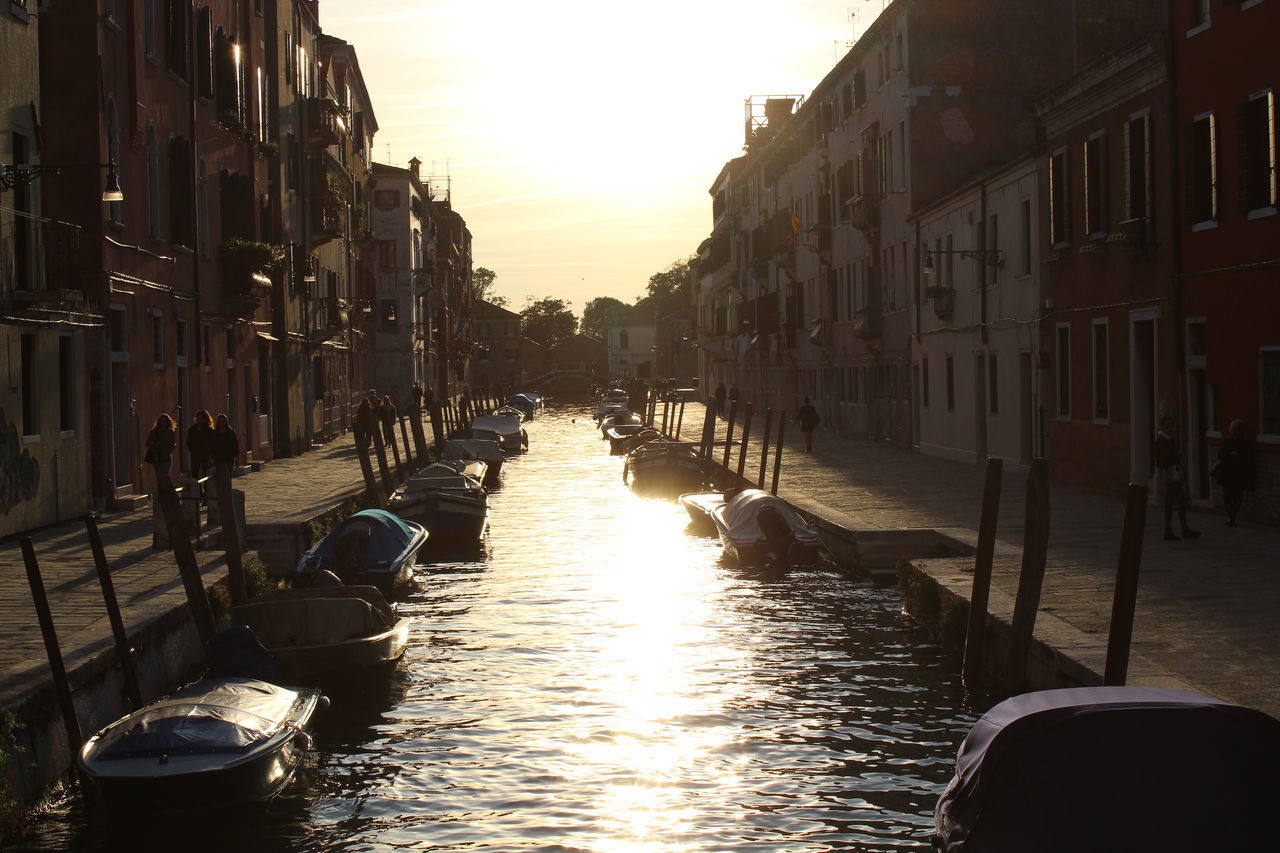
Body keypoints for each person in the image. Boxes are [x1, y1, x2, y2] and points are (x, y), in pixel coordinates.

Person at [1154, 415, 1200, 541]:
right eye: (1167, 425)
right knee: (1176, 501)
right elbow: (1162, 459)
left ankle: (1178, 529)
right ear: (1162, 426)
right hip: (1169, 473)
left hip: (1173, 472)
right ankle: (1173, 530)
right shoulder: (1161, 440)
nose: (1170, 428)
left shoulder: (1168, 439)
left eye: (1171, 425)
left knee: (1177, 501)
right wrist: (1175, 459)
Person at [1216, 419, 1256, 527]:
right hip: (1228, 472)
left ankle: (1232, 515)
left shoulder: (1246, 442)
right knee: (1227, 496)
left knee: (1238, 496)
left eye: (1235, 430)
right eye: (1232, 429)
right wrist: (1229, 455)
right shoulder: (1228, 441)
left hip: (1239, 473)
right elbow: (1220, 455)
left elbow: (1250, 458)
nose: (1233, 432)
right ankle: (1231, 517)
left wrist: (1238, 457)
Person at [144, 414, 177, 486]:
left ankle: (167, 491)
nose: (163, 423)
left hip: (167, 458)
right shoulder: (154, 432)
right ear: (159, 422)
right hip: (157, 458)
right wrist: (155, 444)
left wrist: (169, 451)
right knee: (159, 476)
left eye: (165, 421)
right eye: (162, 421)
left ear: (168, 422)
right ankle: (161, 493)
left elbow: (173, 444)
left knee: (164, 475)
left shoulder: (170, 432)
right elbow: (147, 443)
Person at [186, 410, 214, 478]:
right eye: (198, 418)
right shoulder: (192, 429)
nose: (200, 420)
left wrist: (210, 455)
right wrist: (192, 450)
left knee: (206, 473)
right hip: (195, 454)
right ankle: (197, 487)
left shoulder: (210, 430)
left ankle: (205, 488)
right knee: (195, 473)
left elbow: (213, 443)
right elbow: (189, 441)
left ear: (205, 419)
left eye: (201, 418)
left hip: (206, 455)